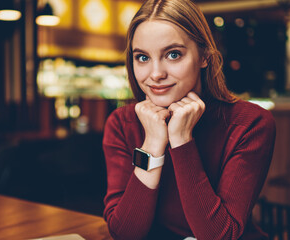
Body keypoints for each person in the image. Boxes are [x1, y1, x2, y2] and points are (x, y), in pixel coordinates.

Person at [102, 0, 276, 239]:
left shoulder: (250, 124)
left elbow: (218, 235)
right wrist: (152, 145)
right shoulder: (122, 123)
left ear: (204, 55)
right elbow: (125, 233)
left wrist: (182, 140)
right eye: (142, 57)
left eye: (173, 55)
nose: (155, 74)